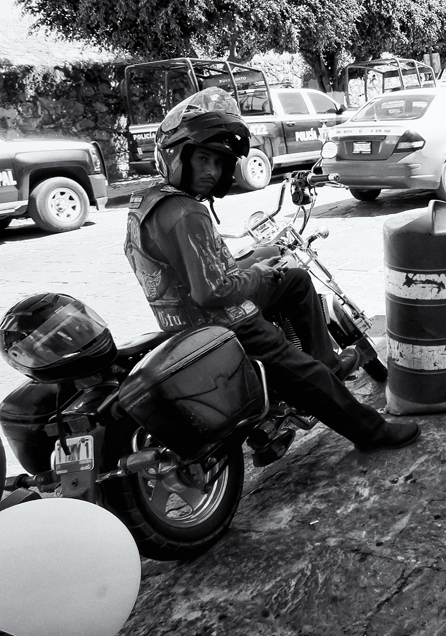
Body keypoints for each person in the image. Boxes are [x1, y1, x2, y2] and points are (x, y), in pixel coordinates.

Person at [124, 88, 420, 455]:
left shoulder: (147, 201)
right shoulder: (187, 212)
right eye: (203, 159)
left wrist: (257, 262)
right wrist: (259, 274)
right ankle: (369, 430)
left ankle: (326, 361)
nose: (211, 171)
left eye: (219, 163)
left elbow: (190, 270)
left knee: (294, 278)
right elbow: (212, 291)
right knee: (306, 373)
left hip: (182, 321)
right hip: (223, 322)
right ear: (178, 156)